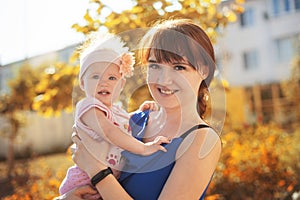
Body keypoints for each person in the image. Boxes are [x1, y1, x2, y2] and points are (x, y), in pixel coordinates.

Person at [58, 18, 223, 200]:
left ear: (204, 71)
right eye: (154, 66)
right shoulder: (133, 120)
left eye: (178, 67)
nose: (163, 79)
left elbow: (94, 166)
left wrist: (97, 172)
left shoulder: (202, 140)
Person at [59, 32, 169, 199]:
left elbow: (121, 125)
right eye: (95, 76)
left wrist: (137, 112)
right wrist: (144, 148)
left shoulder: (115, 111)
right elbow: (110, 131)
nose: (104, 82)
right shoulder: (89, 107)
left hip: (105, 182)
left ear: (121, 84)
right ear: (82, 83)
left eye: (112, 77)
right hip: (83, 180)